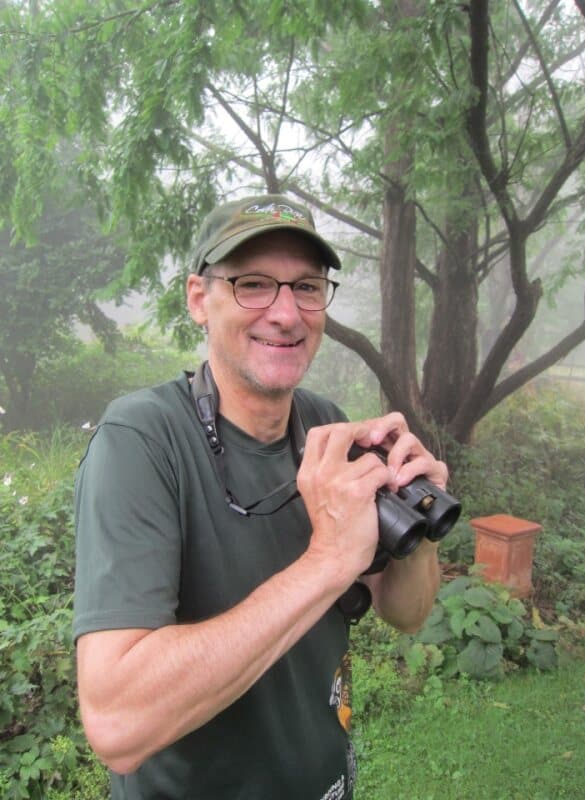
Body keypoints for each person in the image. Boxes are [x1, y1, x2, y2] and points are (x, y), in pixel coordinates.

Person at [73, 194, 447, 800]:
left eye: (305, 287)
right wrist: (328, 562)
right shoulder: (141, 442)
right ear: (200, 298)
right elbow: (118, 723)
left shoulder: (327, 428)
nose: (285, 313)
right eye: (253, 285)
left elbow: (407, 612)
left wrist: (419, 519)